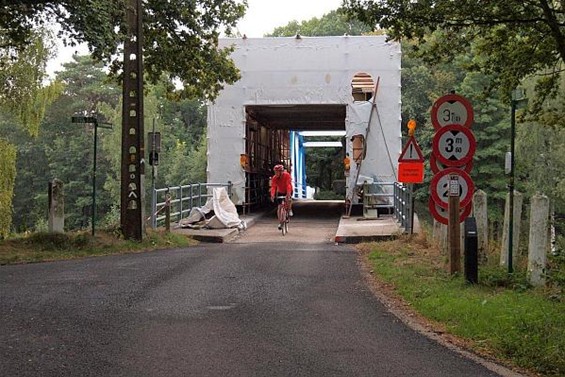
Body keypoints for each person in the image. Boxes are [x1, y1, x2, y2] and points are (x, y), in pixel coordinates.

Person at [270, 164, 293, 229]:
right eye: (275, 172)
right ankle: (280, 222)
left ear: (281, 171)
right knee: (279, 207)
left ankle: (289, 209)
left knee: (288, 200)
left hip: (288, 190)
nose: (276, 173)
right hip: (280, 191)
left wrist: (288, 194)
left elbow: (288, 185)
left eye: (277, 171)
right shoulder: (274, 178)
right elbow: (273, 187)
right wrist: (272, 195)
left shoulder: (287, 175)